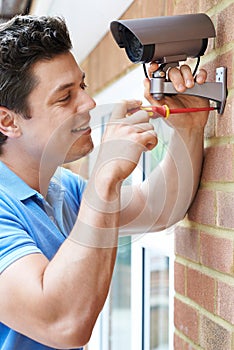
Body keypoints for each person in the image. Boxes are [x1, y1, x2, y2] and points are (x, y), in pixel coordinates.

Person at [0, 14, 209, 350]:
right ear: (7, 121)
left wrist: (190, 129)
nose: (89, 103)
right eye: (65, 97)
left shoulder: (61, 189)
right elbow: (63, 323)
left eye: (81, 86)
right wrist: (104, 177)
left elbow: (160, 208)